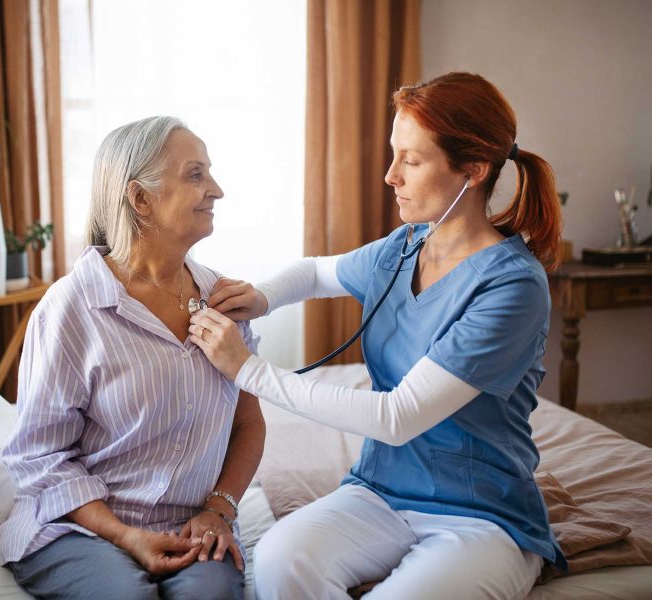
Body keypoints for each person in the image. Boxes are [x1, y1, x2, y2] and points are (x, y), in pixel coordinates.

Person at [188, 72, 567, 599]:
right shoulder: (405, 247)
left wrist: (246, 369)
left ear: (473, 171)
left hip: (479, 515)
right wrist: (261, 296)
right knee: (277, 559)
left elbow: (397, 418)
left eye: (411, 160)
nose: (390, 176)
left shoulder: (512, 287)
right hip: (380, 493)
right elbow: (318, 272)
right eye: (394, 155)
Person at [0, 116, 265, 600]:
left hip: (191, 525)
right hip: (78, 528)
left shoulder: (225, 302)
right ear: (140, 199)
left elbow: (248, 423)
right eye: (196, 175)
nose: (217, 190)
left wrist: (219, 510)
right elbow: (40, 458)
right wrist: (126, 536)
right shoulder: (70, 309)